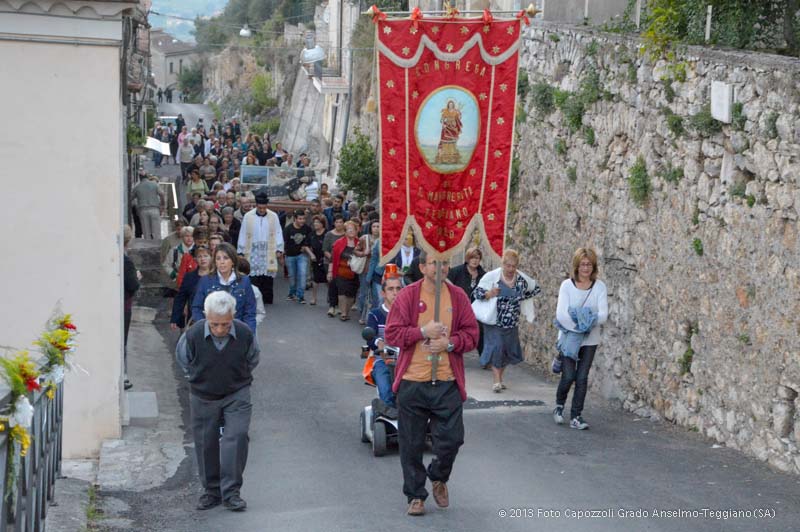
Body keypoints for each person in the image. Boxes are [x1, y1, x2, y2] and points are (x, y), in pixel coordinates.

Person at [384, 251, 479, 516]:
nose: (442, 268)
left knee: (452, 439)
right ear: (423, 266)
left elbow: (472, 335)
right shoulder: (408, 296)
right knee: (411, 444)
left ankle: (438, 475)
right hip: (413, 382)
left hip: (447, 382)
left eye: (446, 262)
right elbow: (392, 333)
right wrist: (422, 332)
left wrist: (449, 344)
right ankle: (415, 496)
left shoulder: (458, 296)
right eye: (435, 263)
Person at [176, 291, 259, 512]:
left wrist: (234, 378)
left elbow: (253, 358)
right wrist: (199, 379)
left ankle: (231, 493)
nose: (220, 330)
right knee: (206, 442)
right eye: (214, 324)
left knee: (237, 437)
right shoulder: (193, 334)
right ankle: (211, 491)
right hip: (203, 395)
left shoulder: (244, 332)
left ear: (233, 316)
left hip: (237, 392)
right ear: (206, 316)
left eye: (225, 324)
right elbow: (184, 359)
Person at [553, 247, 608, 430]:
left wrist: (585, 321)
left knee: (582, 377)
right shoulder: (567, 286)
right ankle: (560, 405)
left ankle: (576, 415)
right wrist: (583, 323)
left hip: (590, 340)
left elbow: (603, 315)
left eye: (589, 264)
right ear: (577, 266)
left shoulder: (599, 287)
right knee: (568, 376)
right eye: (583, 264)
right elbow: (561, 314)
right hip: (570, 339)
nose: (586, 268)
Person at [473, 249, 540, 392]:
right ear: (502, 264)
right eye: (508, 265)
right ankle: (496, 381)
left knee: (507, 351)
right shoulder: (493, 277)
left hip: (512, 322)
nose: (510, 269)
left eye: (513, 266)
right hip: (494, 321)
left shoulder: (521, 280)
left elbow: (535, 289)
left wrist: (523, 297)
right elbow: (476, 293)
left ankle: (500, 378)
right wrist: (489, 293)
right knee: (497, 347)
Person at [192, 243, 258, 332]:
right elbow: (197, 308)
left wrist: (249, 333)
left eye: (225, 258)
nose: (222, 262)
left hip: (237, 332)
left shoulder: (244, 281)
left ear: (233, 261)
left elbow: (250, 311)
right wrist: (205, 329)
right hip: (212, 332)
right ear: (215, 261)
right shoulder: (205, 281)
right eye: (218, 258)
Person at [237, 188, 284, 306]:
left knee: (267, 276)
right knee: (253, 276)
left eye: (264, 208)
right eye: (260, 208)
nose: (262, 210)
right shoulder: (248, 216)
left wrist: (279, 249)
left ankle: (267, 299)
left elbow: (278, 232)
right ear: (256, 205)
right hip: (253, 250)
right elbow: (243, 233)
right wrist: (241, 251)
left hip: (269, 250)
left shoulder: (273, 216)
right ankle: (254, 299)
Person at [365, 275, 403, 418]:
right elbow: (370, 337)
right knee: (386, 389)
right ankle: (387, 416)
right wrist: (378, 342)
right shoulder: (375, 314)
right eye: (391, 289)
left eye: (398, 288)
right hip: (383, 360)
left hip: (406, 360)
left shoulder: (409, 313)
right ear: (383, 293)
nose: (395, 292)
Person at [447, 247, 487, 359]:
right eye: (472, 257)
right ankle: (451, 353)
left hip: (476, 309)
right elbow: (447, 285)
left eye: (477, 258)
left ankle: (484, 358)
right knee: (452, 329)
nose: (475, 260)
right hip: (457, 308)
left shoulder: (484, 275)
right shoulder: (456, 271)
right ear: (467, 259)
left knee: (481, 330)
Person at [171, 245, 212, 331]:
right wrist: (175, 318)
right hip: (194, 319)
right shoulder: (189, 277)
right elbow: (181, 297)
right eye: (199, 256)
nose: (203, 259)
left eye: (205, 256)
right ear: (195, 259)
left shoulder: (217, 276)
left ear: (211, 258)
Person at [329, 221, 363, 321]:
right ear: (345, 231)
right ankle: (343, 313)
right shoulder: (338, 243)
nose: (351, 231)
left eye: (353, 229)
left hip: (355, 272)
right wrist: (330, 271)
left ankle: (346, 311)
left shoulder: (360, 243)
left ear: (357, 231)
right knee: (342, 292)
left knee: (351, 294)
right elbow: (332, 258)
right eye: (349, 229)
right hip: (341, 271)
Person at [123, 225, 141, 391]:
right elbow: (133, 285)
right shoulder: (126, 261)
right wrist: (137, 277)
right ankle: (124, 375)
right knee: (123, 342)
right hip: (124, 305)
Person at [283, 209, 312, 303]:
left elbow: (309, 240)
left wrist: (307, 247)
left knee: (302, 274)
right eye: (300, 219)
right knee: (292, 276)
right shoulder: (288, 229)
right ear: (295, 219)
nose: (302, 221)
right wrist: (282, 255)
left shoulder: (307, 229)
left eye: (303, 219)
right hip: (290, 256)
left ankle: (300, 296)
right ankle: (292, 293)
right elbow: (283, 242)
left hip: (302, 255)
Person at [357, 221, 380, 324]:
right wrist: (363, 253)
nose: (376, 228)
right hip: (365, 269)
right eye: (374, 226)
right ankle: (362, 313)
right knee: (364, 293)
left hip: (377, 271)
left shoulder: (384, 240)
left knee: (375, 295)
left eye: (378, 226)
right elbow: (355, 250)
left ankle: (371, 316)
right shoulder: (364, 238)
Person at [323, 214, 345, 317]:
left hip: (343, 264)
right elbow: (325, 250)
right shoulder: (329, 234)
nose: (339, 224)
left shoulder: (346, 235)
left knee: (341, 285)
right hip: (330, 263)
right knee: (332, 284)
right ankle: (332, 306)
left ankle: (340, 306)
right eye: (337, 222)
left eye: (341, 222)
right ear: (334, 223)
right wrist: (333, 258)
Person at [131, 174, 163, 240]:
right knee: (156, 232)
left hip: (143, 210)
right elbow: (162, 194)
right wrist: (162, 205)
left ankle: (148, 246)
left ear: (140, 178)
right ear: (147, 178)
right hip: (154, 209)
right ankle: (157, 246)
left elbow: (130, 198)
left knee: (146, 232)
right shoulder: (154, 185)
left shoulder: (137, 187)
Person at [307, 215, 328, 305]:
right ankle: (314, 298)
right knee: (315, 279)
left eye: (318, 222)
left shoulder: (327, 234)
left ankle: (330, 296)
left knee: (328, 280)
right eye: (314, 222)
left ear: (322, 224)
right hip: (316, 259)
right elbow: (306, 246)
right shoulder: (311, 234)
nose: (315, 224)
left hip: (326, 259)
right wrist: (311, 254)